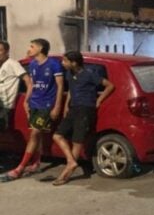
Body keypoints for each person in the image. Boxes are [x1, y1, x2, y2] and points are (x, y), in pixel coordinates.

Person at [3, 39, 64, 181]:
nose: (29, 49)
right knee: (37, 134)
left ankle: (20, 167)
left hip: (46, 104)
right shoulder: (32, 64)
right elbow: (32, 84)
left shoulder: (54, 64)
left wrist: (57, 106)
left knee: (35, 134)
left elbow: (60, 86)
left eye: (32, 46)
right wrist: (26, 100)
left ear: (40, 48)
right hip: (34, 103)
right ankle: (36, 161)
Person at [52, 51, 114, 186]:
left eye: (65, 61)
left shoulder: (89, 74)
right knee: (57, 135)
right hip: (73, 108)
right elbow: (71, 91)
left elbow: (109, 85)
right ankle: (71, 161)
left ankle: (67, 172)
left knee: (77, 141)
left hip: (85, 109)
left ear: (74, 63)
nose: (63, 63)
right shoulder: (70, 74)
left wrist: (99, 100)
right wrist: (66, 106)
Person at [0, 41, 32, 131]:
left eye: (0, 50)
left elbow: (28, 81)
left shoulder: (13, 64)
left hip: (4, 107)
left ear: (7, 51)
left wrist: (27, 100)